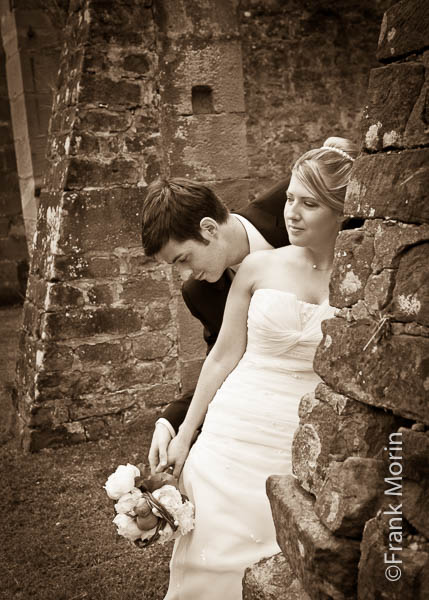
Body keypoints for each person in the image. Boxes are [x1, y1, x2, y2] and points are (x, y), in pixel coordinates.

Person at [158, 137, 358, 599]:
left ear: (340, 210)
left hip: (300, 427)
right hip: (234, 422)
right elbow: (223, 355)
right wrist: (184, 431)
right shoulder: (257, 267)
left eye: (308, 204)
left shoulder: (361, 277)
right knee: (211, 552)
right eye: (288, 198)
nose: (291, 212)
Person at [141, 176, 291, 472]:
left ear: (209, 229)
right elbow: (221, 361)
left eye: (183, 259)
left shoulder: (291, 204)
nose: (185, 275)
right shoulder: (200, 292)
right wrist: (171, 422)